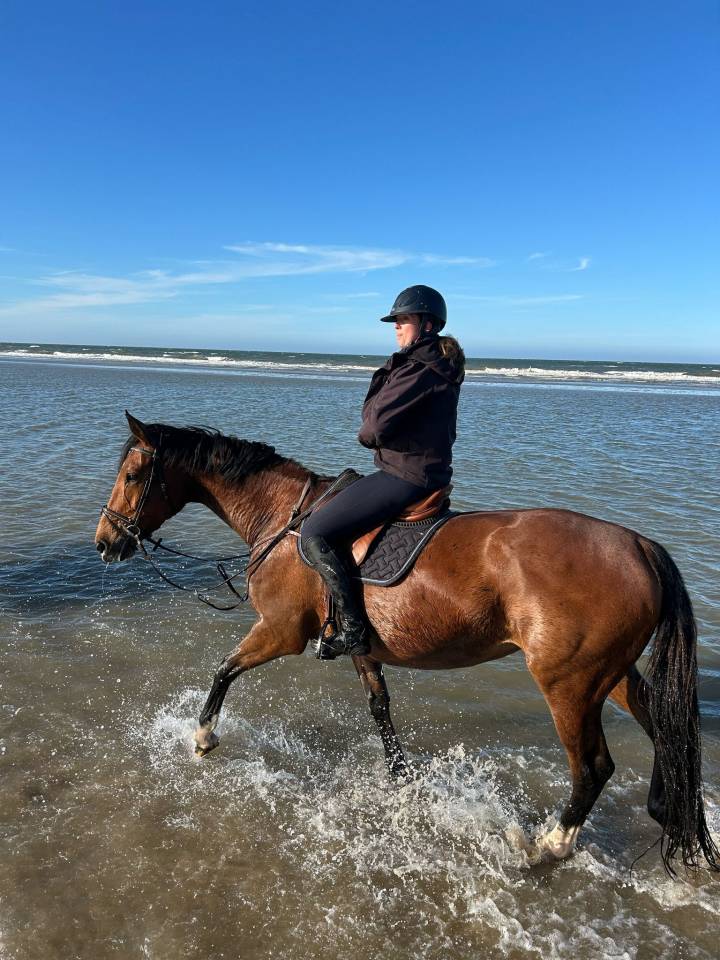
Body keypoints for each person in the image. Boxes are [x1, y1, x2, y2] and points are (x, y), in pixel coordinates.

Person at [302, 284, 466, 659]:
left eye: (404, 320)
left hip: (405, 475)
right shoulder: (434, 365)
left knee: (315, 531)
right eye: (395, 321)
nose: (396, 327)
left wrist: (373, 433)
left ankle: (354, 632)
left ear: (427, 325)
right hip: (424, 472)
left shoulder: (418, 369)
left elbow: (371, 430)